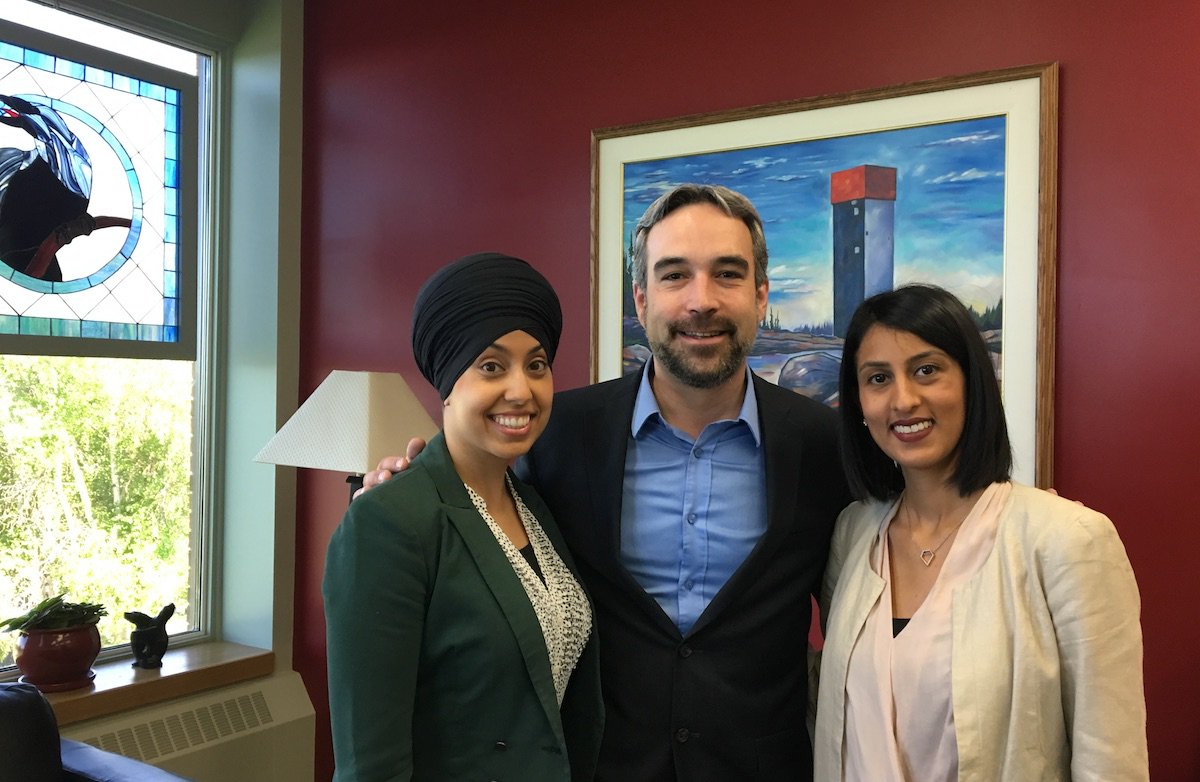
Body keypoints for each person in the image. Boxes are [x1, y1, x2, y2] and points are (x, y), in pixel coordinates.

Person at [364, 185, 850, 781]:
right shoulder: (555, 435)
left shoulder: (827, 446)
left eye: (727, 274)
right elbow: (470, 516)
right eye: (675, 276)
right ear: (641, 300)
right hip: (598, 767)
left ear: (760, 294)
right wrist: (405, 486)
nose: (703, 301)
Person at [813, 283, 1147, 780]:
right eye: (878, 378)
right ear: (859, 403)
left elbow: (1111, 759)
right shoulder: (854, 533)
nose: (903, 399)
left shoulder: (1065, 540)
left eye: (927, 370)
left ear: (973, 381)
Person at [323, 252, 604, 781]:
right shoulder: (389, 522)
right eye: (492, 366)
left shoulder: (535, 505)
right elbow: (370, 766)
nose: (521, 389)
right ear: (447, 380)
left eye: (536, 365)